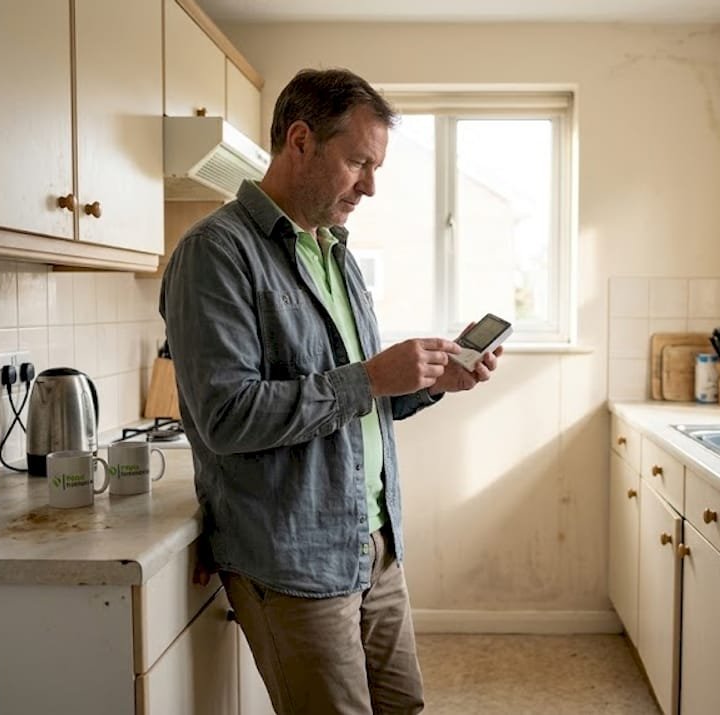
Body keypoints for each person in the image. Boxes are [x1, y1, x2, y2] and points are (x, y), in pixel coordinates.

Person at [160, 68, 501, 714]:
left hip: (374, 545)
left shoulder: (334, 253)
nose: (371, 186)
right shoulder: (216, 253)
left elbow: (350, 404)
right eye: (358, 163)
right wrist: (372, 376)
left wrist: (432, 382)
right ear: (300, 141)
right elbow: (228, 415)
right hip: (295, 562)